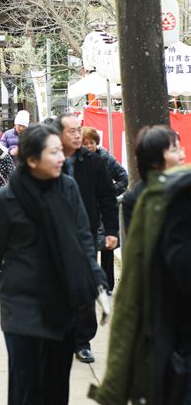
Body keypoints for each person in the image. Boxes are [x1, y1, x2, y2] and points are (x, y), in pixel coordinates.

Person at [0, 124, 109, 405]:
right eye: (52, 152)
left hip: (64, 300)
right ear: (31, 160)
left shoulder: (67, 187)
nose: (60, 156)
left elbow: (83, 238)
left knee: (54, 386)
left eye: (59, 151)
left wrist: (98, 286)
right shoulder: (6, 199)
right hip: (21, 305)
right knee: (24, 388)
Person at [90, 163, 191, 405]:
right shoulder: (141, 199)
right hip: (159, 304)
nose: (182, 154)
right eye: (174, 149)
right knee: (162, 379)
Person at [55, 113, 119, 364]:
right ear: (59, 134)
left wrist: (112, 231)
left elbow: (107, 197)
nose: (77, 134)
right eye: (71, 130)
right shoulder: (50, 160)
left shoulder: (92, 161)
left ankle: (82, 341)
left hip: (85, 234)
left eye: (78, 130)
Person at [82, 126, 129, 293]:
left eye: (92, 143)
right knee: (91, 248)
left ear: (97, 143)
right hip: (88, 212)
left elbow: (123, 177)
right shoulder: (77, 161)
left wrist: (110, 194)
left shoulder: (106, 159)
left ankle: (108, 286)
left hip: (106, 211)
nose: (89, 146)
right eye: (85, 143)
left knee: (108, 249)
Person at [122, 125, 184, 234]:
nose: (182, 156)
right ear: (155, 161)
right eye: (174, 150)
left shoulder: (186, 186)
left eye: (180, 149)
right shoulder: (134, 200)